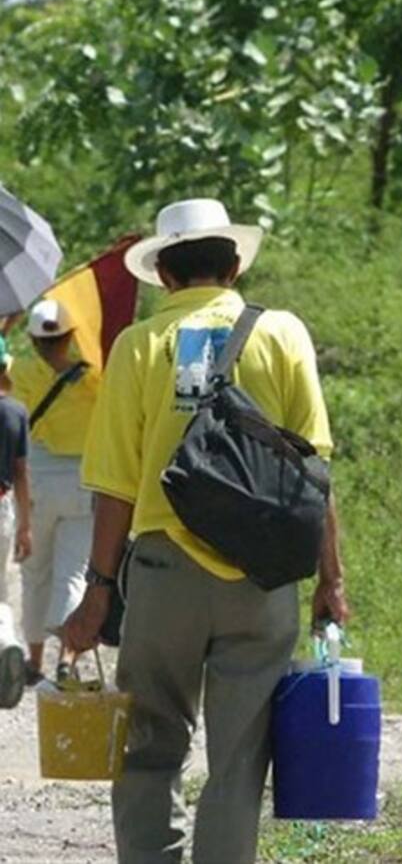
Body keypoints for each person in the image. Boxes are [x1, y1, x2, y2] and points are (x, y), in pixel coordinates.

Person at [62, 198, 349, 864]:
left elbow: (116, 487)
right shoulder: (281, 334)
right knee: (240, 757)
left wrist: (99, 590)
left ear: (163, 273)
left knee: (150, 744)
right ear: (234, 264)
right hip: (261, 574)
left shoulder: (137, 347)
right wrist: (330, 580)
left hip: (163, 579)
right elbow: (315, 471)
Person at [10, 297, 99, 684]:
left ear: (32, 340)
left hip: (37, 478)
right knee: (73, 573)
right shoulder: (96, 378)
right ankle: (68, 657)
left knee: (35, 573)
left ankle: (34, 660)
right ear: (71, 336)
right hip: (82, 479)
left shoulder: (20, 373)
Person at [0, 334, 33, 708]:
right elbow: (21, 472)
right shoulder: (15, 413)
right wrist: (26, 525)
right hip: (2, 506)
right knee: (1, 591)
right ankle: (7, 641)